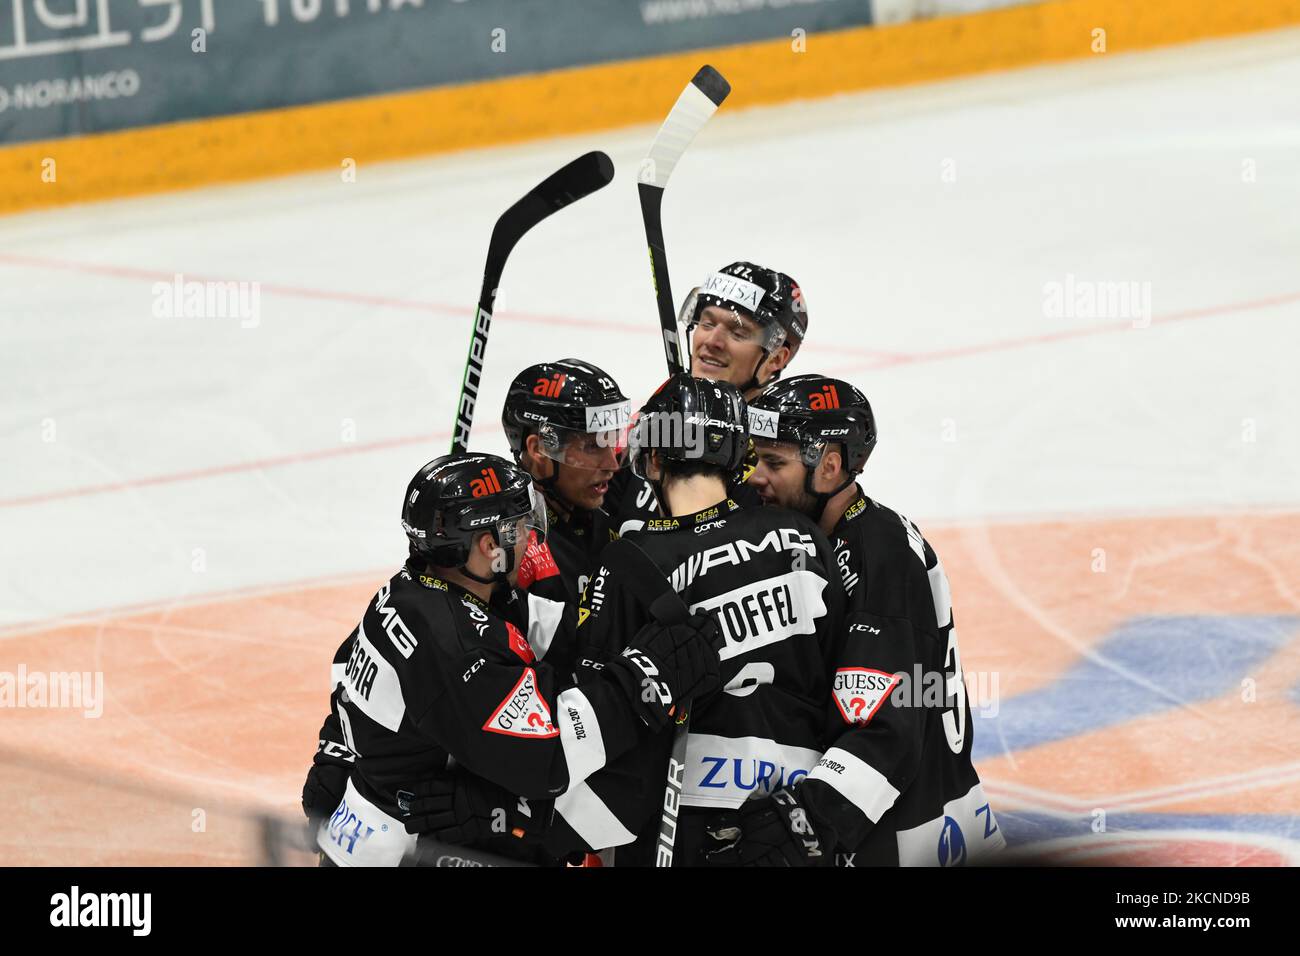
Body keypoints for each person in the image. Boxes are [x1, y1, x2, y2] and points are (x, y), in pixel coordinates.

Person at [299, 452, 720, 866]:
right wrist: (645, 677)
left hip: (369, 830)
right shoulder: (455, 646)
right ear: (488, 546)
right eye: (518, 528)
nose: (530, 538)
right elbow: (550, 758)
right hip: (406, 853)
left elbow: (556, 637)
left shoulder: (416, 591)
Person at [540, 374, 849, 865]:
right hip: (801, 816)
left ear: (655, 459)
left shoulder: (626, 562)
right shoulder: (800, 536)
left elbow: (604, 711)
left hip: (683, 820)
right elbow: (840, 675)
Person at [735, 374, 1006, 866]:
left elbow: (884, 730)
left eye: (774, 463)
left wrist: (807, 823)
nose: (756, 477)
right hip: (920, 811)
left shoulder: (875, 553)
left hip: (908, 832)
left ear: (829, 466)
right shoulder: (835, 534)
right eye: (754, 458)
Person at [501, 359, 656, 604]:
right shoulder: (509, 551)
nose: (612, 465)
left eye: (610, 441)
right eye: (592, 446)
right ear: (539, 449)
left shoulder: (602, 507)